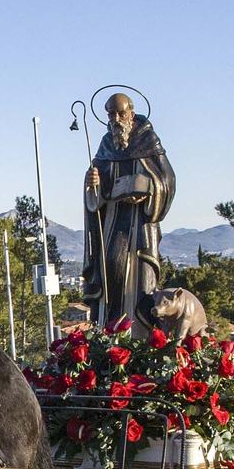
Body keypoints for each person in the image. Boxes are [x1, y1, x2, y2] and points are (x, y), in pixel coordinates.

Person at [81, 93, 175, 331]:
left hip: (140, 226)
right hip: (112, 222)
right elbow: (96, 188)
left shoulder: (149, 141)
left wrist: (146, 186)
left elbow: (167, 181)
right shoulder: (105, 145)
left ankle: (141, 333)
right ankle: (110, 331)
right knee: (111, 270)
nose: (116, 118)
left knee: (140, 281)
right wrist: (93, 182)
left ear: (131, 113)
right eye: (111, 114)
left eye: (120, 113)